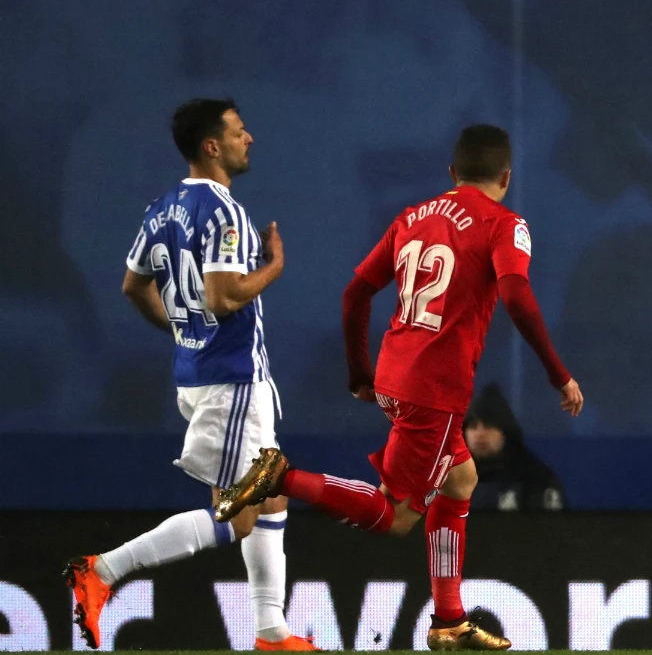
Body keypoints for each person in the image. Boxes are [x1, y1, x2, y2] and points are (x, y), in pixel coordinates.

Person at [216, 124, 583, 651]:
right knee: (395, 517)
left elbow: (354, 293)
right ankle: (281, 477)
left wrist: (359, 373)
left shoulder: (411, 217)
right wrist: (558, 373)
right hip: (433, 391)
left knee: (460, 480)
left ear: (452, 174)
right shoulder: (505, 224)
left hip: (395, 375)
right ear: (507, 176)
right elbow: (517, 294)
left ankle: (450, 618)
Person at [64, 99, 314, 651]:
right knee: (238, 517)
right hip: (230, 380)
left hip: (205, 371)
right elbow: (224, 297)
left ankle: (272, 632)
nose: (249, 138)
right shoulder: (225, 213)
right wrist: (273, 266)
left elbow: (134, 285)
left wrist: (182, 332)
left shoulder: (162, 208)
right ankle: (102, 571)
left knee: (271, 496)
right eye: (239, 132)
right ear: (212, 146)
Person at [465, 383, 567, 512]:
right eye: (473, 426)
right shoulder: (447, 476)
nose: (480, 434)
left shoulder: (535, 478)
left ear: (506, 432)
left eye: (489, 425)